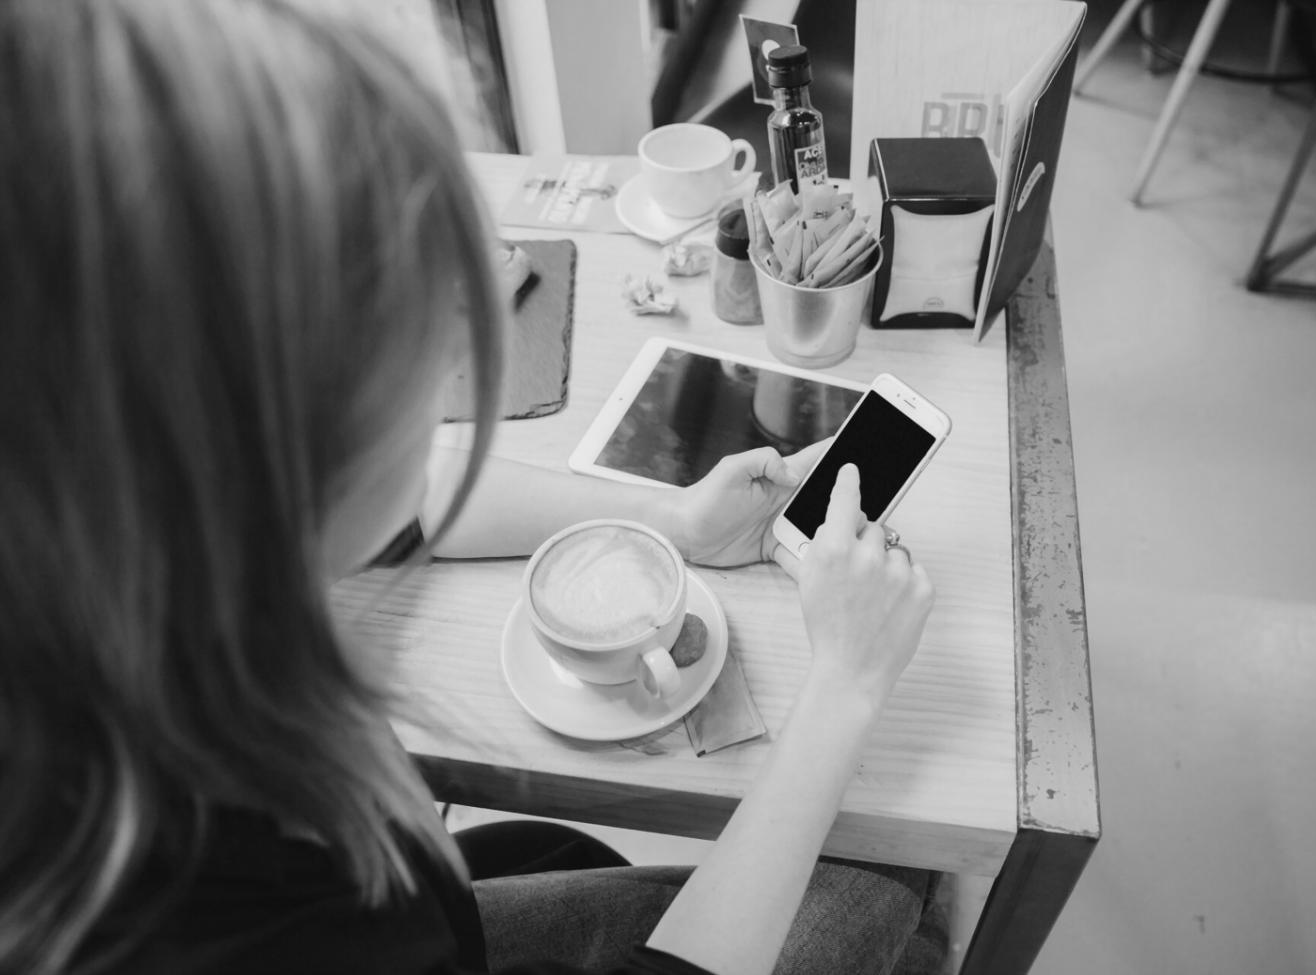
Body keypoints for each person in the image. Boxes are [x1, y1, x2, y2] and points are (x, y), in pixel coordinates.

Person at [0, 2, 943, 974]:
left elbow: (418, 496)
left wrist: (673, 520)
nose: (456, 355)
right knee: (882, 879)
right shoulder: (239, 914)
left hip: (416, 891)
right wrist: (846, 683)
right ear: (259, 440)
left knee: (561, 853)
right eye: (420, 335)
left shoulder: (112, 565)